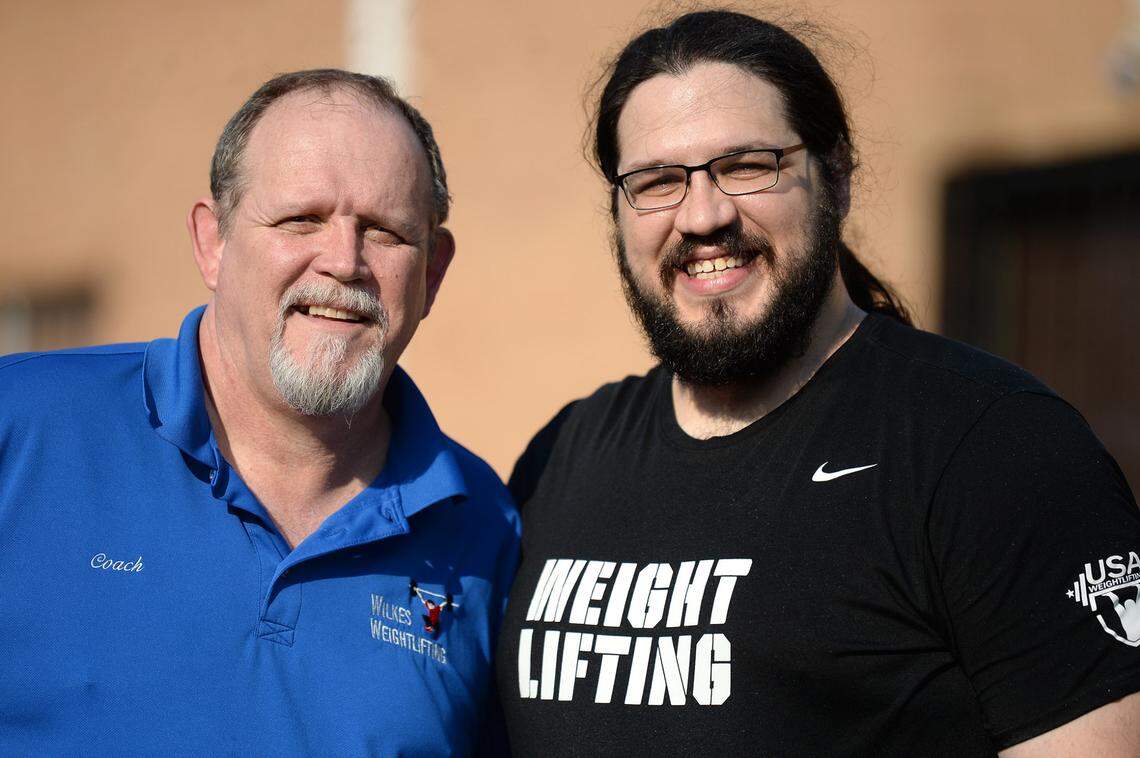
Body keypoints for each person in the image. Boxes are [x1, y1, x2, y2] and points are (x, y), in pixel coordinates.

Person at [496, 11, 1140, 756]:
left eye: (747, 166)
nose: (702, 216)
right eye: (657, 182)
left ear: (835, 176)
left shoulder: (991, 445)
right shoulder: (562, 459)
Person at [0, 69, 519, 755]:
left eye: (385, 231)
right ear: (212, 243)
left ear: (432, 273)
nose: (343, 262)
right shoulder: (23, 431)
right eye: (301, 219)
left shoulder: (482, 527)